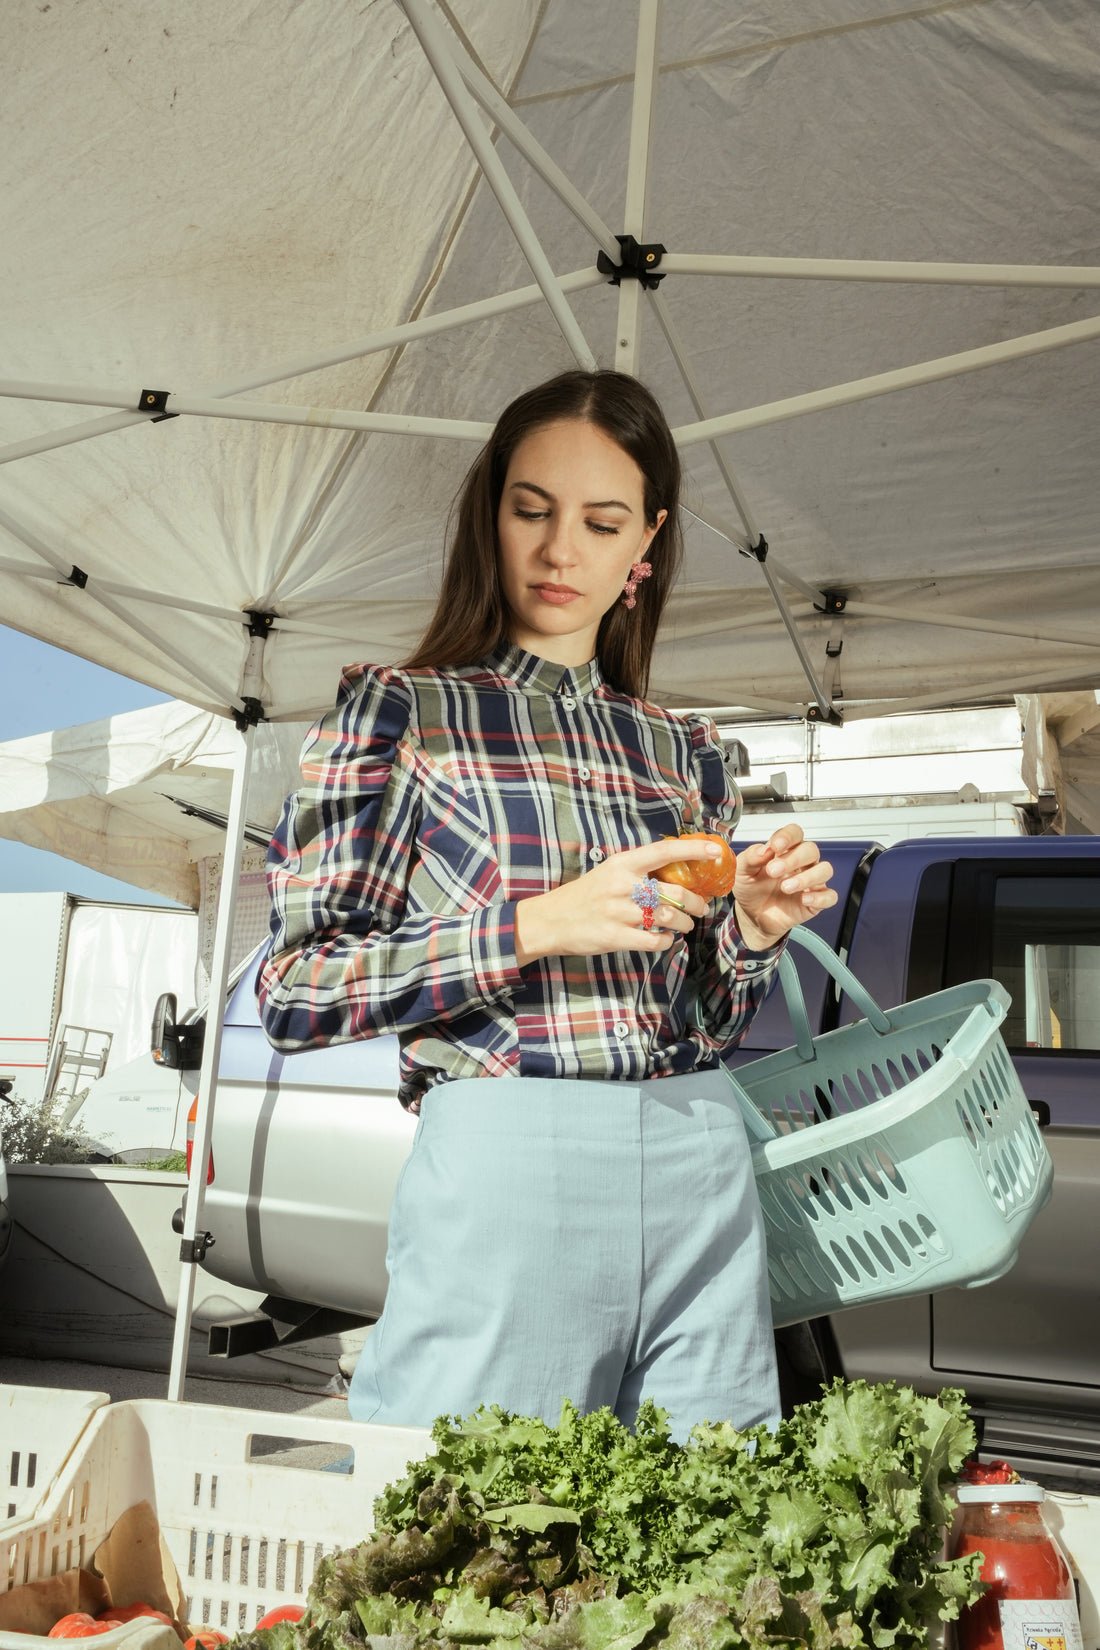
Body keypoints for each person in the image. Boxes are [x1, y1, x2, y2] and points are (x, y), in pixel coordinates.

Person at [258, 368, 836, 1440]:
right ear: (490, 515)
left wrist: (752, 930)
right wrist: (535, 924)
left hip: (697, 1149)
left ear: (644, 544)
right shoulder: (400, 716)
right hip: (510, 1155)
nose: (560, 548)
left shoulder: (685, 752)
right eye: (531, 509)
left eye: (600, 520)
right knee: (469, 1538)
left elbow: (701, 1021)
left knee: (701, 1532)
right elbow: (295, 991)